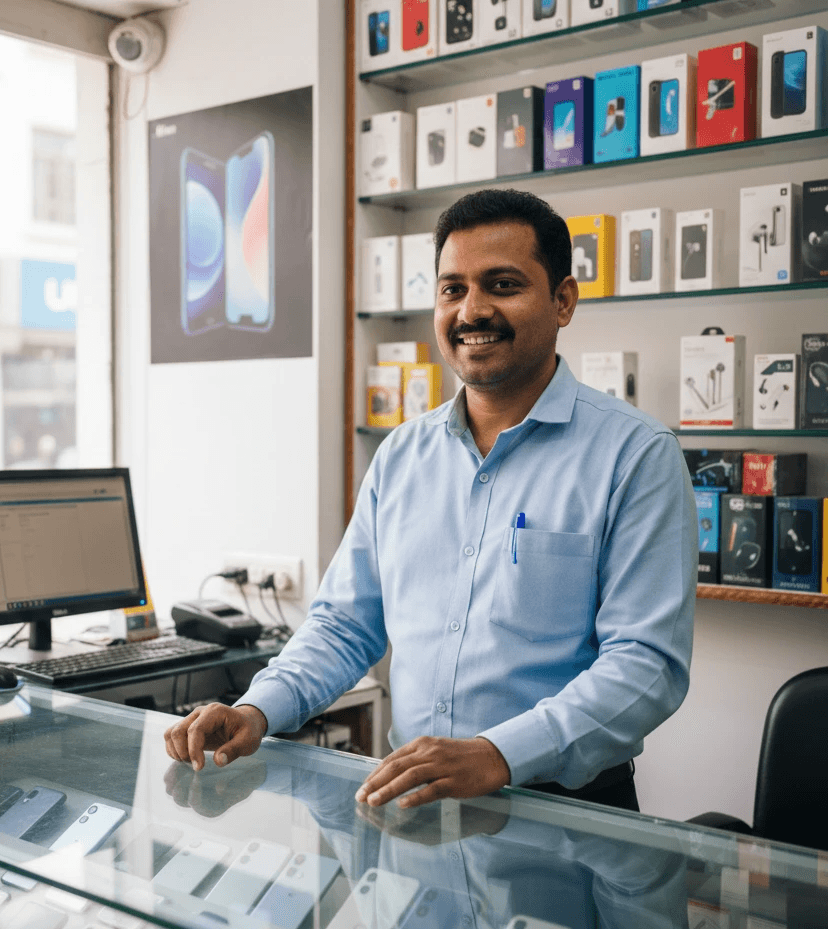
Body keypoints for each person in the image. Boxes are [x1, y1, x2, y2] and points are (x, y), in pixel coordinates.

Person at [164, 188, 697, 813]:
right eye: (452, 289)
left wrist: (498, 753)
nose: (472, 310)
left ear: (563, 300)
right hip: (413, 802)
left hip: (565, 812)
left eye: (502, 284)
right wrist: (258, 708)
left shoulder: (636, 455)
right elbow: (345, 623)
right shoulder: (400, 456)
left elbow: (646, 666)